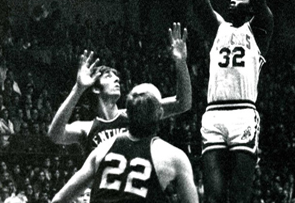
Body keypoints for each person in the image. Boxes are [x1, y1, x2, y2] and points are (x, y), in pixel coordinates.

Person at [185, 0, 274, 202]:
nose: (233, 0)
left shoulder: (260, 28)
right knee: (213, 196)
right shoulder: (217, 29)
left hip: (243, 114)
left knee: (237, 196)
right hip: (213, 114)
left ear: (252, 8)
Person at [48, 22, 191, 154]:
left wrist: (181, 62)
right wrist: (78, 89)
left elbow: (182, 104)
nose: (117, 79)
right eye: (109, 76)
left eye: (116, 77)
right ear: (96, 89)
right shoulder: (86, 128)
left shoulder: (135, 113)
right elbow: (55, 135)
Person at [51, 83, 198, 203]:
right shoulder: (174, 157)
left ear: (127, 114)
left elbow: (59, 200)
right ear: (160, 113)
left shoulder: (102, 149)